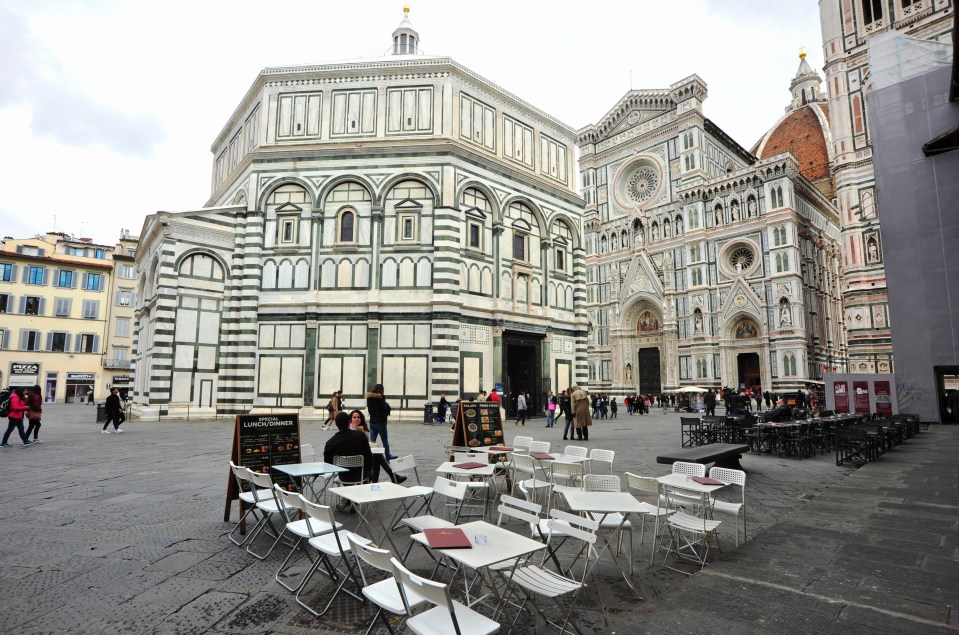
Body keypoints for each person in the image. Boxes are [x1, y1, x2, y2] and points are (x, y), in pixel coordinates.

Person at [348, 410, 406, 484]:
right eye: (354, 417)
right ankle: (391, 476)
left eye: (358, 417)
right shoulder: (351, 430)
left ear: (361, 419)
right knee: (377, 456)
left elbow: (367, 443)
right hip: (357, 459)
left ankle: (378, 482)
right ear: (351, 419)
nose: (356, 419)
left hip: (364, 455)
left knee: (376, 457)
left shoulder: (363, 429)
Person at [324, 411, 373, 486]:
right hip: (361, 475)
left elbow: (328, 464)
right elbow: (368, 457)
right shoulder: (360, 435)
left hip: (343, 476)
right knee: (372, 469)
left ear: (336, 424)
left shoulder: (330, 443)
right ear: (349, 422)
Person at [366, 383, 397, 460]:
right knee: (384, 440)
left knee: (372, 442)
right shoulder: (379, 398)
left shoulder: (369, 398)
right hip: (380, 422)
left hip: (372, 422)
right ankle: (388, 456)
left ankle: (369, 456)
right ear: (381, 391)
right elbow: (386, 407)